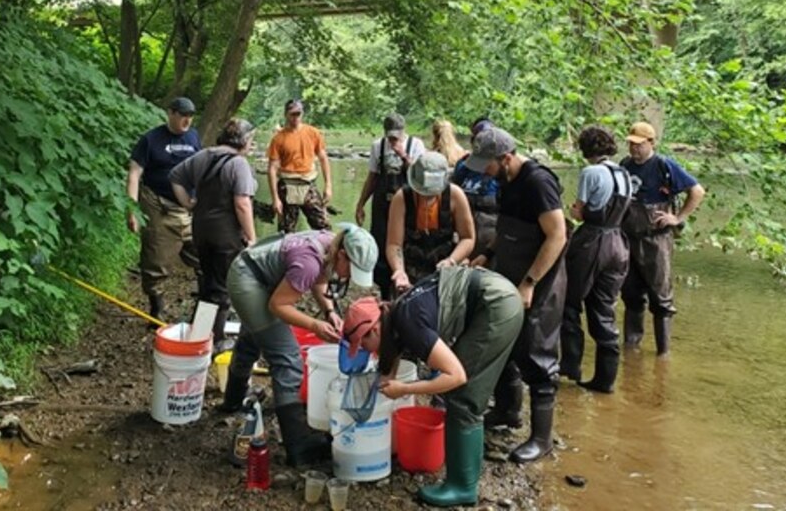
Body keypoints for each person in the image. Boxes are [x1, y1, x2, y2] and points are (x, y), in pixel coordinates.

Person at [342, 266, 523, 507]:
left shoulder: (409, 321)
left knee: (463, 397)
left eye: (363, 345)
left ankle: (463, 487)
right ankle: (463, 477)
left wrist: (406, 389)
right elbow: (391, 352)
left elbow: (455, 376)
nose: (366, 352)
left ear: (373, 329)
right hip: (493, 293)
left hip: (496, 305)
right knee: (462, 383)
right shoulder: (395, 312)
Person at [220, 223, 378, 467]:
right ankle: (298, 446)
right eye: (351, 270)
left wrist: (329, 311)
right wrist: (315, 326)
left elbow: (318, 279)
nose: (347, 277)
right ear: (342, 254)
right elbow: (278, 306)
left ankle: (232, 400)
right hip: (248, 281)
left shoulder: (330, 243)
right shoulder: (309, 261)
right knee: (288, 359)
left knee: (253, 339)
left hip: (254, 271)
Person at [466, 127, 567, 463]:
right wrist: (487, 253)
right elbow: (506, 226)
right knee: (504, 341)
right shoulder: (506, 182)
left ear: (506, 158)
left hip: (539, 281)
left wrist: (530, 282)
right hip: (508, 271)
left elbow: (557, 236)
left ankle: (542, 439)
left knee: (538, 354)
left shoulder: (538, 183)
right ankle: (508, 412)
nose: (487, 173)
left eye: (489, 166)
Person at [169, 118, 258, 353]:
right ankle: (216, 341)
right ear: (243, 140)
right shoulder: (239, 164)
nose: (252, 144)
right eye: (251, 140)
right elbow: (242, 204)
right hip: (225, 234)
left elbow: (176, 177)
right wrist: (252, 237)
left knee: (208, 283)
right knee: (222, 289)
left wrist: (188, 204)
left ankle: (199, 335)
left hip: (200, 229)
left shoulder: (204, 155)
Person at [619, 121, 705, 356]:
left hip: (656, 240)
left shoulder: (664, 165)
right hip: (628, 238)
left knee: (661, 297)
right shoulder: (625, 165)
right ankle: (631, 347)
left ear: (651, 143)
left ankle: (663, 353)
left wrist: (677, 218)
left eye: (638, 145)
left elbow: (697, 191)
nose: (633, 149)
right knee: (631, 294)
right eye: (630, 144)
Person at [559, 126, 632, 394]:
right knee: (604, 309)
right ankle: (606, 380)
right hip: (619, 244)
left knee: (569, 302)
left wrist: (576, 211)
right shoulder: (624, 172)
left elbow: (580, 212)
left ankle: (570, 365)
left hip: (592, 242)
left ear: (586, 148)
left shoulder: (590, 172)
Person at [125, 97, 203, 320]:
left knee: (204, 255)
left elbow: (201, 166)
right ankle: (157, 308)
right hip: (158, 206)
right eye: (182, 115)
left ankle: (204, 307)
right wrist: (132, 210)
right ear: (170, 113)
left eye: (190, 115)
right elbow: (134, 174)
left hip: (189, 208)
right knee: (155, 260)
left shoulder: (194, 137)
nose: (187, 120)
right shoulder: (151, 139)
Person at [354, 113, 425, 298]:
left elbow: (419, 177)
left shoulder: (416, 145)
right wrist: (361, 203)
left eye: (396, 135)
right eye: (390, 135)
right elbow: (373, 177)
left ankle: (406, 288)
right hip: (382, 204)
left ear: (404, 131)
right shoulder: (378, 146)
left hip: (406, 203)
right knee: (380, 243)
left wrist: (403, 155)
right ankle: (384, 290)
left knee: (406, 244)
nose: (393, 139)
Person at [386, 151, 476, 292]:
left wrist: (451, 261)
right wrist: (399, 270)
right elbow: (394, 243)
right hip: (410, 269)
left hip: (445, 270)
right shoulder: (402, 198)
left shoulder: (455, 196)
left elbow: (468, 238)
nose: (427, 197)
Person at [267, 99, 332, 233]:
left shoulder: (313, 133)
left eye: (298, 114)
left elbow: (323, 158)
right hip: (287, 184)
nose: (295, 117)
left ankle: (326, 252)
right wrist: (275, 198)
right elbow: (272, 169)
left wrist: (328, 186)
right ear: (286, 114)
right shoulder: (278, 138)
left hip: (308, 184)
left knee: (324, 226)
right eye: (292, 114)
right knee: (286, 231)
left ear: (302, 114)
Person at [451, 118, 501, 265]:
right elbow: (452, 192)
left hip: (491, 234)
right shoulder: (464, 165)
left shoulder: (501, 168)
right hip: (464, 232)